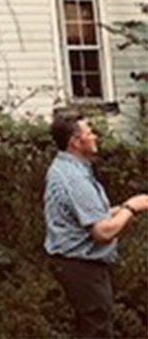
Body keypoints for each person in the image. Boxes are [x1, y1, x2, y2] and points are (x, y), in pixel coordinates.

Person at [44, 112, 148, 338]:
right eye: (89, 133)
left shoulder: (69, 168)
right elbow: (102, 232)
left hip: (76, 263)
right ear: (75, 141)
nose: (95, 136)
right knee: (97, 331)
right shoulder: (74, 178)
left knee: (92, 326)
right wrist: (131, 208)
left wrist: (124, 208)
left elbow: (92, 215)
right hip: (80, 265)